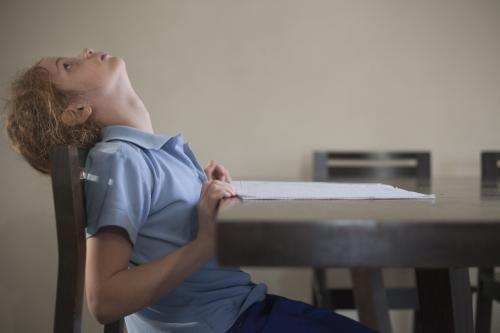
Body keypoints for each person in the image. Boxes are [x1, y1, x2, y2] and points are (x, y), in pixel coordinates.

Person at [3, 47, 376, 333]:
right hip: (228, 322)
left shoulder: (145, 156)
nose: (84, 51)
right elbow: (104, 300)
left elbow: (164, 233)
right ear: (77, 110)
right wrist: (207, 244)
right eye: (68, 66)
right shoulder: (119, 159)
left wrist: (205, 195)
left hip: (239, 312)